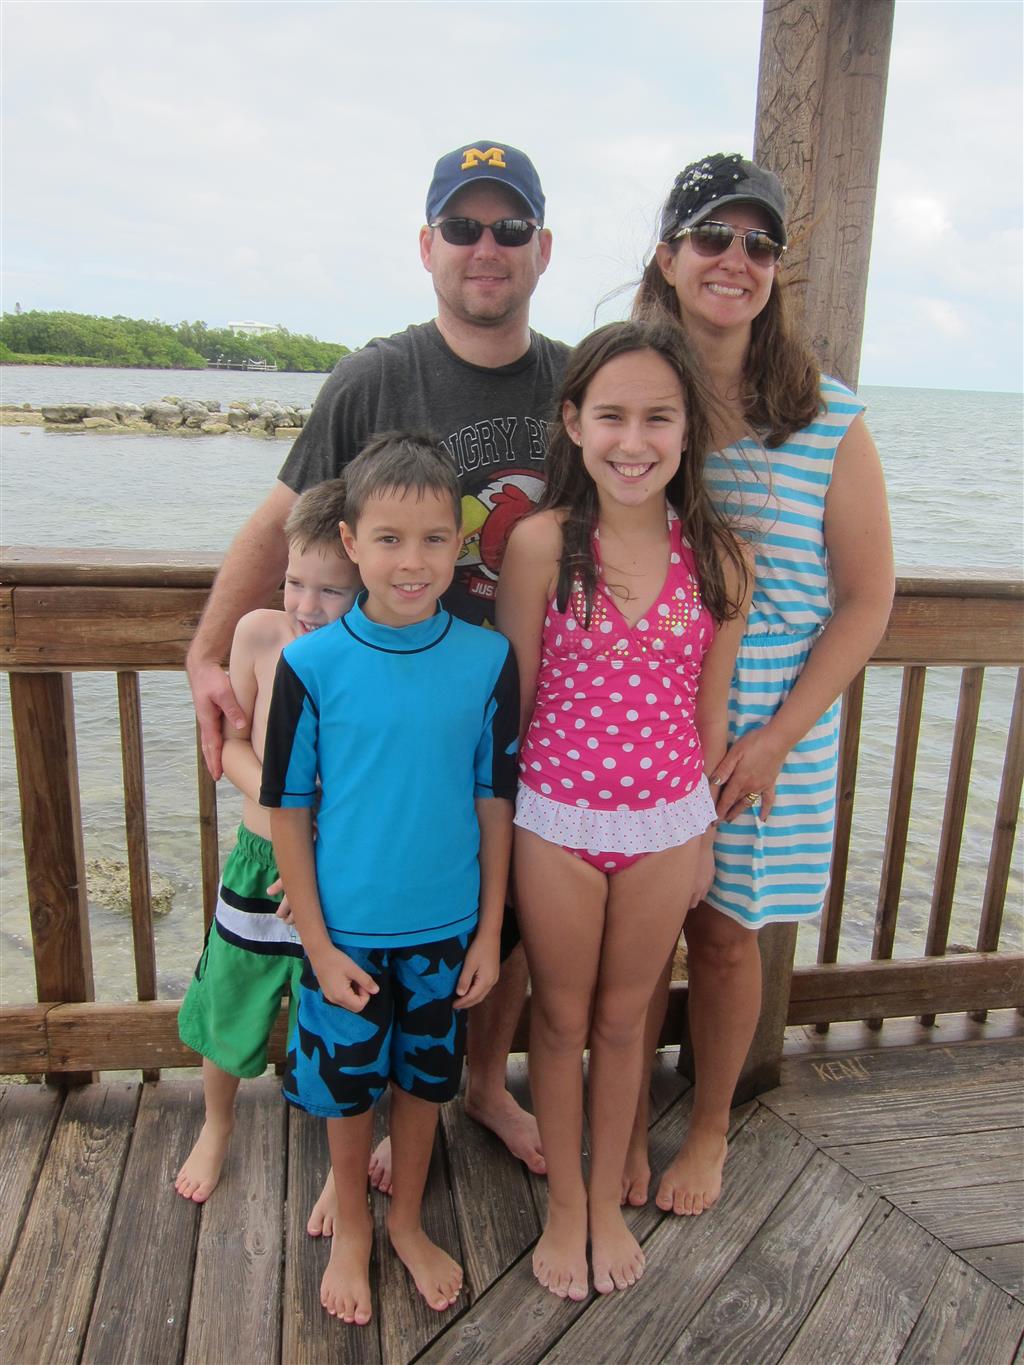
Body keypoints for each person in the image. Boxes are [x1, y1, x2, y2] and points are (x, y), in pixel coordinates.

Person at [185, 140, 567, 1200]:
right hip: (379, 714)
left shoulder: (571, 381)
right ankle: (369, 1118)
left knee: (501, 923)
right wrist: (209, 649)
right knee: (362, 922)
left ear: (542, 248)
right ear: (426, 245)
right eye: (462, 226)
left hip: (512, 702)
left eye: (508, 228)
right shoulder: (376, 377)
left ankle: (476, 1085)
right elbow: (283, 517)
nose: (485, 247)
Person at [628, 152, 894, 1216]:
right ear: (668, 255)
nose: (734, 259)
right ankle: (620, 1118)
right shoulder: (639, 397)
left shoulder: (826, 417)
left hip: (773, 715)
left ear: (777, 268)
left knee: (727, 933)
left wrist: (779, 735)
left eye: (758, 243)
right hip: (647, 699)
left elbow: (866, 600)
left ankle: (707, 1131)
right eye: (711, 236)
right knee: (634, 930)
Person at [496, 319, 753, 1299]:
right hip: (555, 822)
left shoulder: (720, 558)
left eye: (658, 418)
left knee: (622, 1020)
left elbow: (709, 718)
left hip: (665, 827)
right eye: (610, 416)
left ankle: (606, 1202)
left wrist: (701, 841)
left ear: (688, 431)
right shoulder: (539, 545)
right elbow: (513, 709)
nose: (633, 441)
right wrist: (498, 844)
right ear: (573, 423)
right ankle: (566, 1206)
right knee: (559, 1021)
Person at [260, 434, 518, 1323]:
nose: (413, 561)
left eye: (435, 539)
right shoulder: (310, 665)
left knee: (422, 1087)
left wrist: (489, 933)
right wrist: (317, 945)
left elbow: (494, 799)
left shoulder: (486, 658)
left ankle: (404, 1218)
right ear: (351, 539)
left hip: (445, 932)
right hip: (346, 934)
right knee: (346, 1093)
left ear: (462, 542)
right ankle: (353, 1228)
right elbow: (288, 808)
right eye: (389, 539)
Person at [175, 479, 360, 1202]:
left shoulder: (368, 655)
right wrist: (288, 812)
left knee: (337, 1011)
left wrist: (317, 841)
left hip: (336, 871)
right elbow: (233, 747)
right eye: (294, 581)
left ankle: (341, 1158)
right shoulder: (259, 633)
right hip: (261, 862)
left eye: (331, 589)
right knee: (230, 990)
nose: (307, 604)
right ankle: (216, 1123)